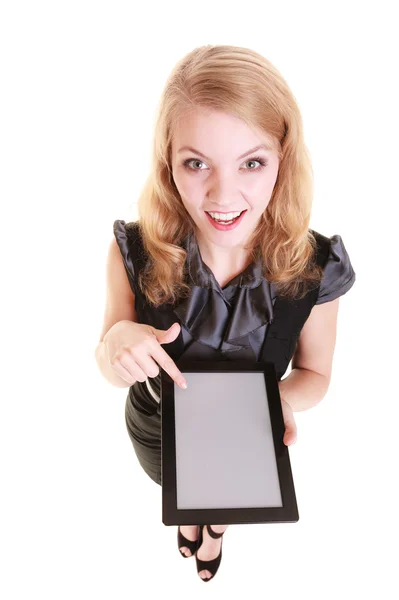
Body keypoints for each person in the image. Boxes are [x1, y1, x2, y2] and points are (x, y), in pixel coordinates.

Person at [94, 44, 356, 582]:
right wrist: (117, 341)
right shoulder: (136, 251)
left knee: (223, 501)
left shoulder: (315, 266)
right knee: (185, 493)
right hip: (158, 425)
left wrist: (272, 401)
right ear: (168, 161)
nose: (223, 194)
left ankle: (212, 530)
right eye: (197, 163)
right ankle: (198, 523)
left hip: (247, 429)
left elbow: (316, 375)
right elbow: (107, 357)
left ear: (283, 158)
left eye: (252, 163)